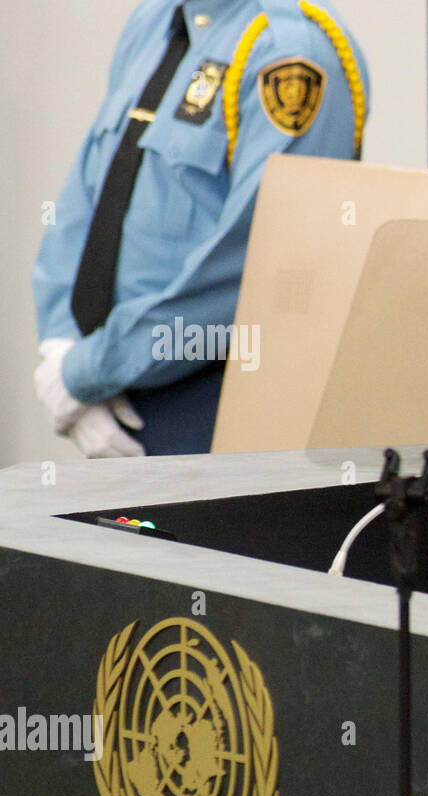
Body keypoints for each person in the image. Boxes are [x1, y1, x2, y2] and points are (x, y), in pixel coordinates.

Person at [33, 0, 368, 456]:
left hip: (207, 395)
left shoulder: (290, 51)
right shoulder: (156, 18)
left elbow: (259, 258)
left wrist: (87, 372)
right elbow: (87, 190)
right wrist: (61, 343)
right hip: (111, 387)